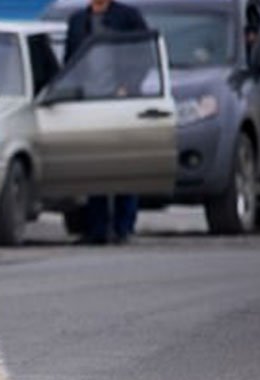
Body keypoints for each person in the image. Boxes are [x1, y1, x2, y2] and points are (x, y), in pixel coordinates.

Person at [65, 0, 148, 245]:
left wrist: (129, 85)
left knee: (124, 165)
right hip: (89, 103)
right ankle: (97, 228)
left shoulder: (129, 16)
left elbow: (143, 54)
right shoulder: (78, 20)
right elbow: (70, 61)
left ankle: (124, 227)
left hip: (121, 101)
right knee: (94, 166)